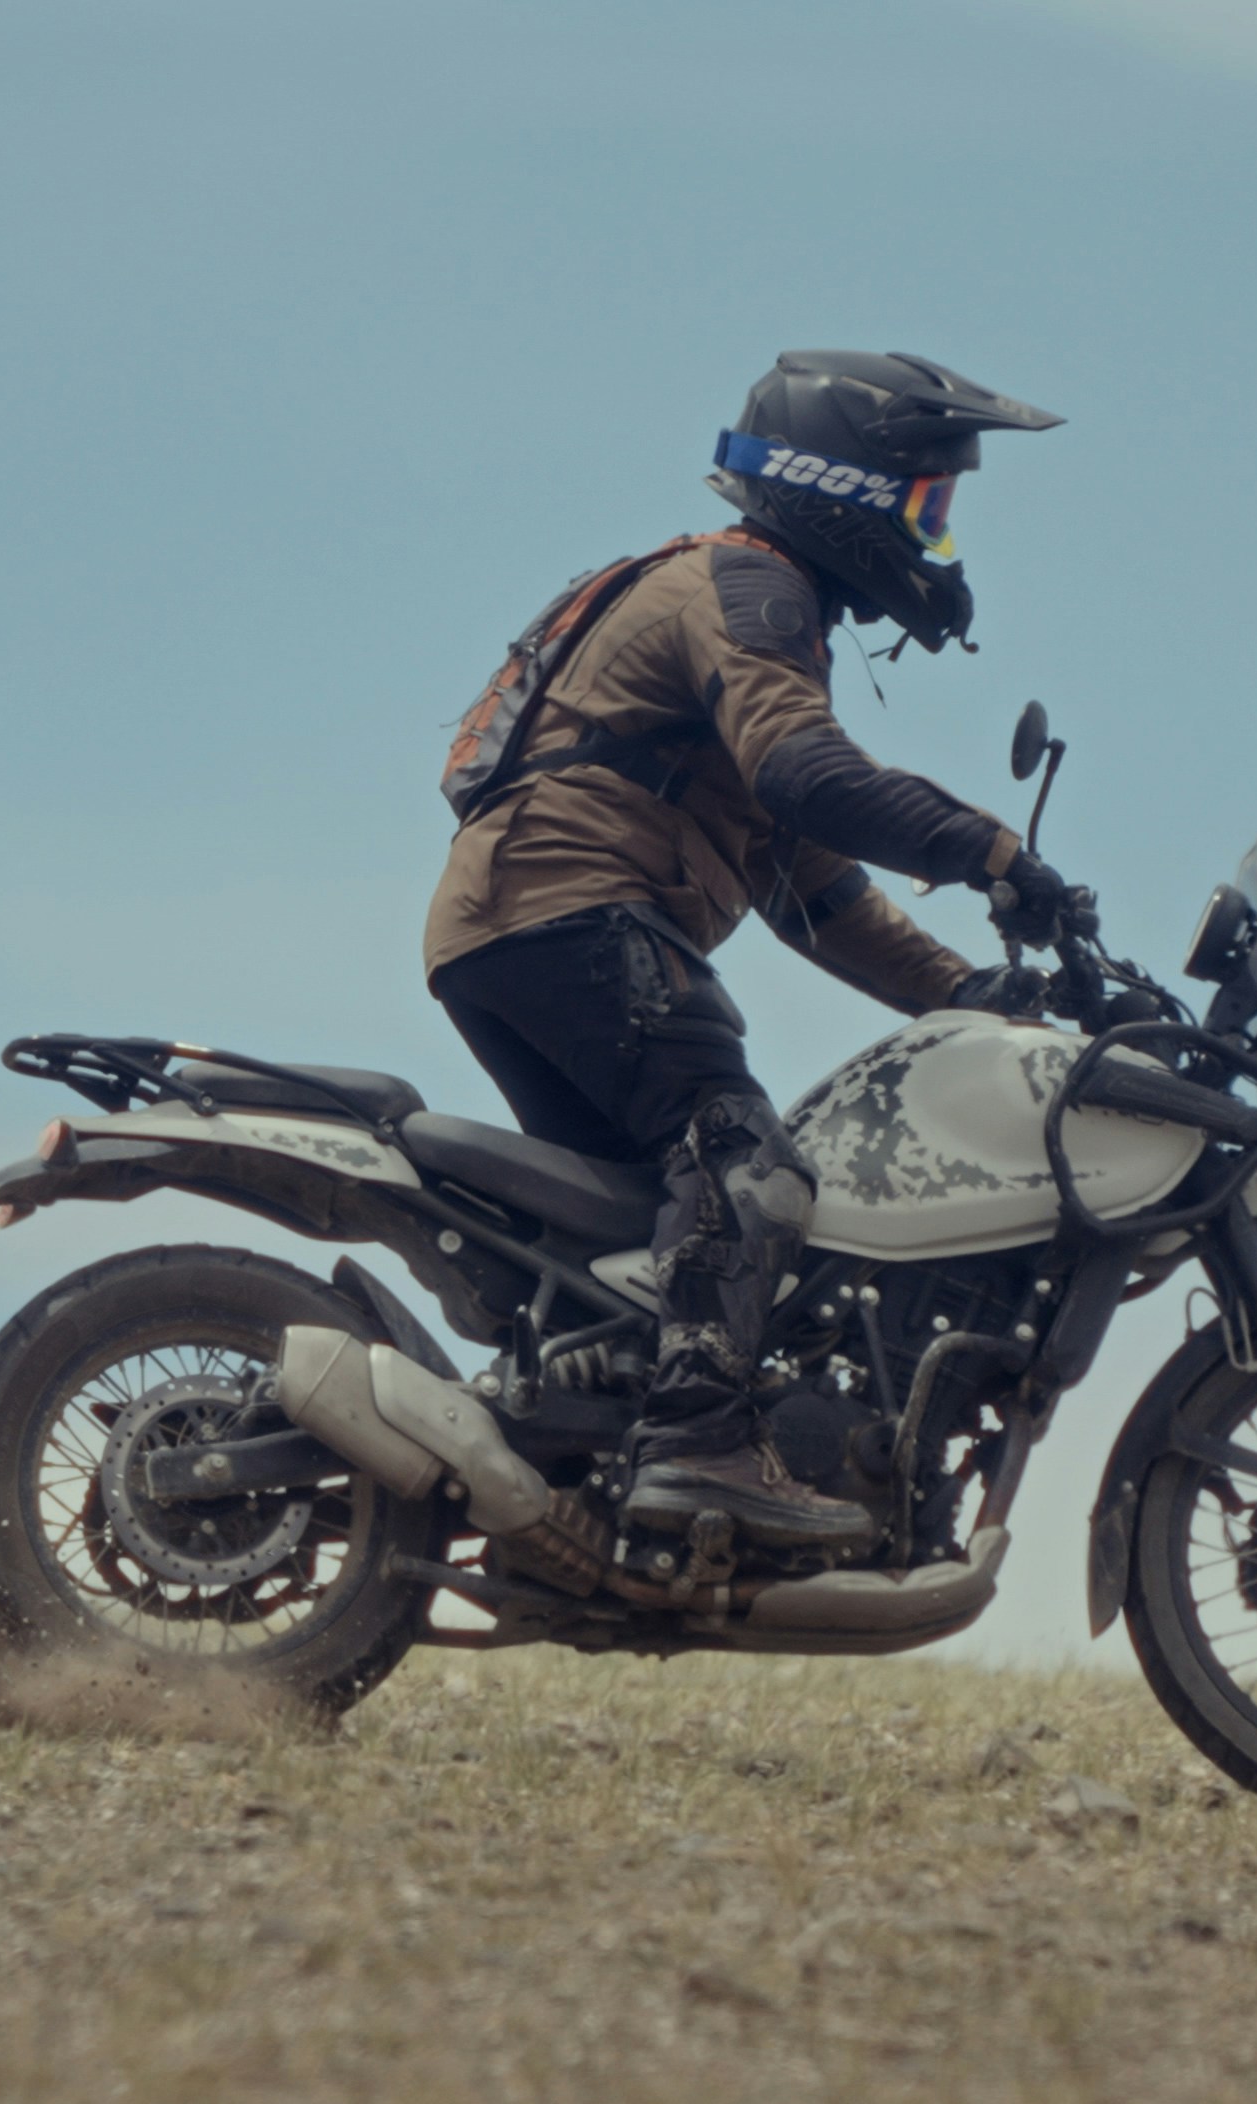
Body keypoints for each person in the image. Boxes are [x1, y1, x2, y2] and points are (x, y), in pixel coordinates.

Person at [422, 350, 1083, 1555]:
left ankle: (586, 1472)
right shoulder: (749, 585)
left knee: (635, 1246)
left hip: (516, 921)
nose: (937, 536)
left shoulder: (746, 609)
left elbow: (812, 892)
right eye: (926, 501)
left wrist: (969, 993)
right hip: (573, 907)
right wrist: (993, 853)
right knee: (744, 1166)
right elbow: (807, 776)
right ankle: (698, 1446)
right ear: (845, 482)